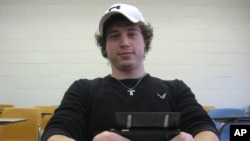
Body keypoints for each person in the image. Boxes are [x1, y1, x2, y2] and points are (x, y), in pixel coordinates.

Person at [41, 3, 219, 141]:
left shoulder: (176, 90)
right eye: (114, 35)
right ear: (105, 46)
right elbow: (56, 132)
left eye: (132, 34)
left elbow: (205, 129)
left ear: (145, 41)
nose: (124, 42)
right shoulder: (83, 90)